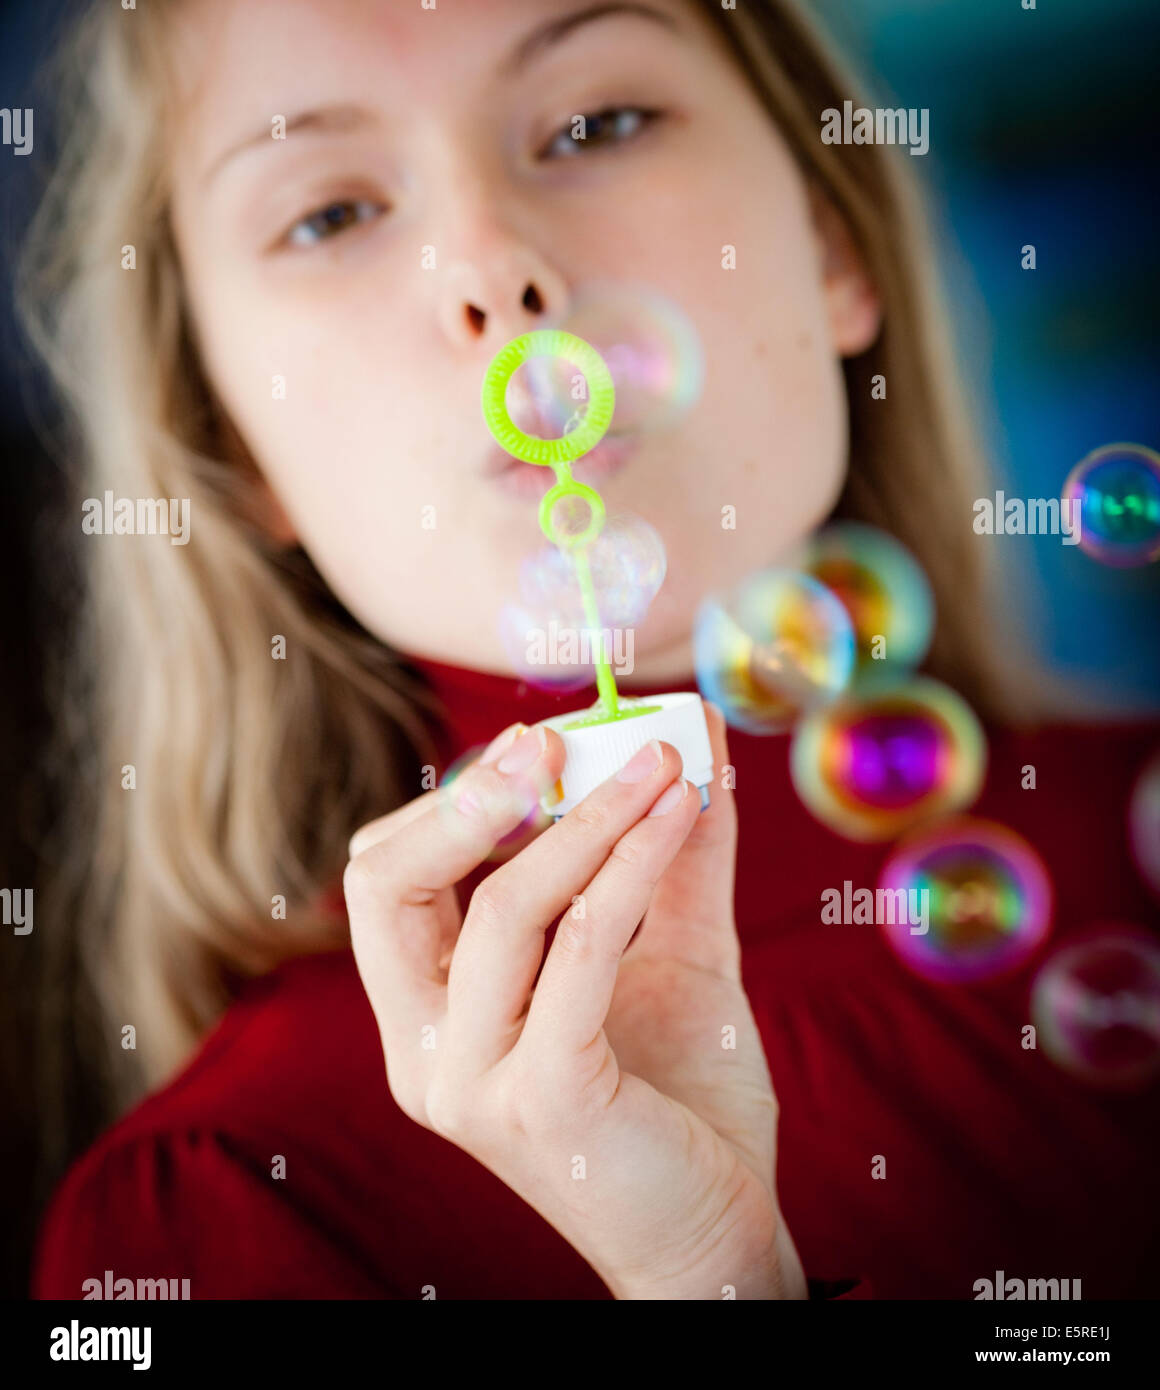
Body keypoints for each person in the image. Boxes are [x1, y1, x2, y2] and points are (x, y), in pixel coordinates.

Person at [23, 0, 1157, 1300]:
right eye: (328, 212)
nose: (493, 270)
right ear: (231, 442)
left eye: (597, 122)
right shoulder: (218, 1214)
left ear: (835, 243)